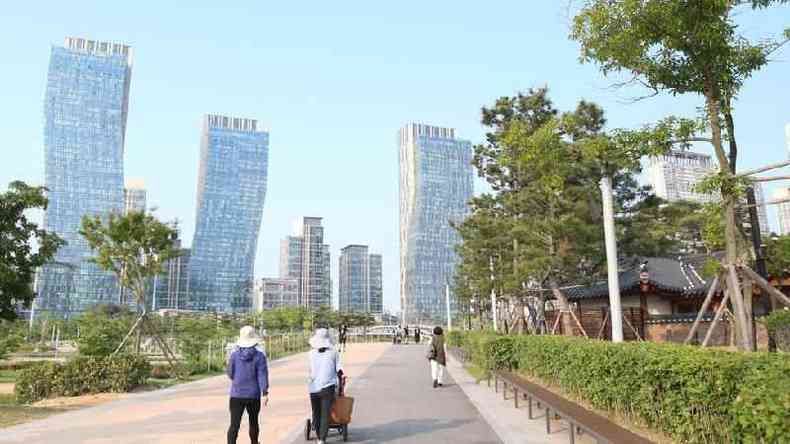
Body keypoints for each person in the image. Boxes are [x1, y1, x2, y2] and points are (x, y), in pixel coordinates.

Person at [227, 325, 269, 444]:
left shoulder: (234, 355)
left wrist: (237, 380)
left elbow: (230, 373)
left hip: (236, 395)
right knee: (253, 422)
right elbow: (262, 375)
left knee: (234, 425)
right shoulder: (260, 356)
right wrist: (265, 392)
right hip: (253, 395)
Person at [308, 328, 343, 444]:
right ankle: (321, 439)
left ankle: (319, 436)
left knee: (316, 413)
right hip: (328, 387)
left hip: (313, 388)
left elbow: (309, 371)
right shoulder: (334, 352)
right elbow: (339, 370)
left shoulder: (310, 354)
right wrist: (341, 383)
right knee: (325, 414)